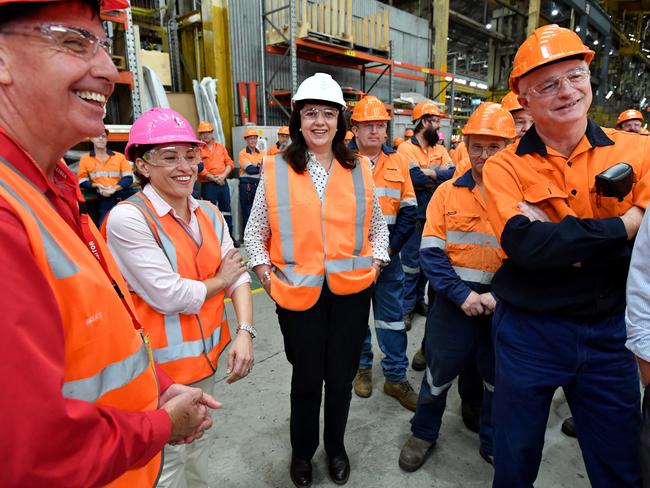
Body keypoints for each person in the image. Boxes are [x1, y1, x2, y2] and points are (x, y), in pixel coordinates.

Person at [0, 0, 217, 486]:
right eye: (75, 42)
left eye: (104, 45)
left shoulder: (51, 189)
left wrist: (155, 387)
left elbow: (110, 333)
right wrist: (163, 425)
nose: (107, 70)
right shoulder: (14, 213)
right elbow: (34, 457)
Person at [483, 24, 650, 487]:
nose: (567, 92)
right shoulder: (503, 166)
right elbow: (526, 247)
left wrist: (561, 237)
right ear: (525, 99)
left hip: (609, 334)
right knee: (514, 459)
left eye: (575, 75)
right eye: (548, 85)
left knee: (619, 464)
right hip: (529, 334)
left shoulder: (640, 151)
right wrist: (626, 225)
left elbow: (647, 247)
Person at [244, 72, 389, 487]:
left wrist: (376, 265)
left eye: (328, 113)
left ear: (340, 120)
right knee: (306, 379)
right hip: (296, 294)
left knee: (341, 377)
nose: (320, 122)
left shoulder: (360, 167)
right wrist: (266, 277)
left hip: (351, 293)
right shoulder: (274, 168)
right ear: (298, 120)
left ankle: (336, 448)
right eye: (311, 114)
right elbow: (255, 233)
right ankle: (302, 453)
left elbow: (378, 228)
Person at [105, 108, 254, 488]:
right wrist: (220, 279)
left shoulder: (209, 212)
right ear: (142, 165)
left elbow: (237, 276)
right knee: (166, 466)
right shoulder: (130, 219)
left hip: (204, 364)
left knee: (196, 449)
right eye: (169, 157)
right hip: (158, 373)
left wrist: (244, 331)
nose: (185, 166)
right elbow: (169, 295)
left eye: (190, 155)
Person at [398, 102, 515, 472]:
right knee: (438, 371)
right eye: (477, 146)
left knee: (497, 378)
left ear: (509, 148)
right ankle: (423, 433)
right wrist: (463, 295)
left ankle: (493, 439)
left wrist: (499, 295)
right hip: (453, 301)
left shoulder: (521, 197)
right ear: (466, 146)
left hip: (502, 303)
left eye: (493, 147)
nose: (484, 156)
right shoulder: (447, 194)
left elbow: (531, 257)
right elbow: (431, 254)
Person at [348, 96, 418, 411]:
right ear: (355, 129)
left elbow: (409, 212)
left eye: (380, 125)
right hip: (352, 259)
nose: (375, 131)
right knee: (357, 319)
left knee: (391, 320)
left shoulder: (399, 162)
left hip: (389, 260)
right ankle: (362, 368)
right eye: (368, 126)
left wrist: (389, 250)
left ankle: (394, 377)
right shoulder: (341, 163)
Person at [397, 101, 455, 328]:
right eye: (436, 121)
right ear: (424, 122)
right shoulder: (405, 149)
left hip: (436, 215)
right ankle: (407, 307)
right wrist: (434, 175)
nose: (439, 126)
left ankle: (419, 301)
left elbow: (453, 174)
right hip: (414, 216)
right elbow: (414, 178)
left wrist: (430, 173)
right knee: (410, 265)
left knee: (427, 265)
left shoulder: (440, 148)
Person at [77, 128, 134, 224]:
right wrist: (98, 186)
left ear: (107, 138)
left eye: (103, 136)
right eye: (97, 136)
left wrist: (114, 188)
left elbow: (128, 178)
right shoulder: (85, 159)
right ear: (91, 139)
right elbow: (82, 181)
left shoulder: (119, 157)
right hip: (103, 196)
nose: (100, 138)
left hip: (122, 193)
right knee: (105, 222)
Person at [197, 120, 235, 234]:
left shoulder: (221, 147)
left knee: (226, 210)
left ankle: (229, 236)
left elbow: (230, 163)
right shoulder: (197, 149)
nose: (206, 135)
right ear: (200, 135)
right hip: (208, 185)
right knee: (209, 212)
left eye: (208, 132)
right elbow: (199, 168)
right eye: (203, 133)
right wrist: (214, 178)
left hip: (223, 183)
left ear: (212, 133)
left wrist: (222, 177)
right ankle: (213, 238)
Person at [238, 127, 263, 231]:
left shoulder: (262, 153)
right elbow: (250, 170)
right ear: (246, 140)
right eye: (250, 138)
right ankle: (247, 236)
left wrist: (256, 166)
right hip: (247, 186)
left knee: (259, 211)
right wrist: (258, 166)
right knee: (247, 211)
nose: (253, 140)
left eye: (254, 138)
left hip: (259, 185)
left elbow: (265, 168)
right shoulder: (243, 153)